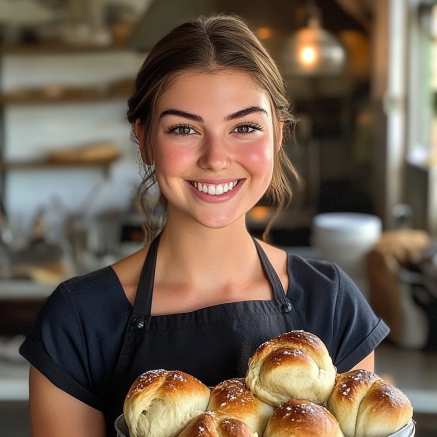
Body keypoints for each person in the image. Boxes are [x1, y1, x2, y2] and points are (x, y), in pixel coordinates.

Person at [19, 14, 389, 437]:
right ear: (144, 140)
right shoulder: (79, 321)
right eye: (184, 129)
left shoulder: (332, 303)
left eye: (245, 127)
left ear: (279, 135)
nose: (215, 157)